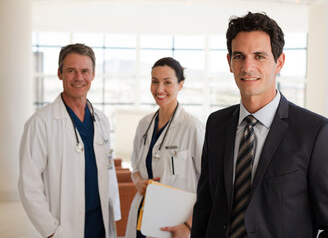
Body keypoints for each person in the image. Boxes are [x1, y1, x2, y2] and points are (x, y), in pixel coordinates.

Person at [191, 12, 328, 238]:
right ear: (229, 62)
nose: (247, 67)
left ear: (279, 62)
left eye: (259, 56)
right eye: (239, 56)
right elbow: (205, 209)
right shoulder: (216, 124)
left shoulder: (315, 133)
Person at [18, 43, 121, 238]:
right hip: (65, 227)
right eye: (71, 71)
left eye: (85, 71)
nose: (79, 78)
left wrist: (113, 214)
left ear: (93, 74)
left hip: (100, 223)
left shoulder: (101, 120)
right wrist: (50, 231)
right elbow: (28, 184)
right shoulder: (40, 123)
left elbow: (109, 171)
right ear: (59, 73)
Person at [125, 57, 204, 238]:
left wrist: (189, 225)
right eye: (155, 82)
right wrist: (137, 181)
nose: (159, 89)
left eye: (167, 82)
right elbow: (136, 166)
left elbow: (210, 183)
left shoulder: (192, 127)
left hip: (175, 224)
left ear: (180, 85)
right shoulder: (144, 124)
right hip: (142, 217)